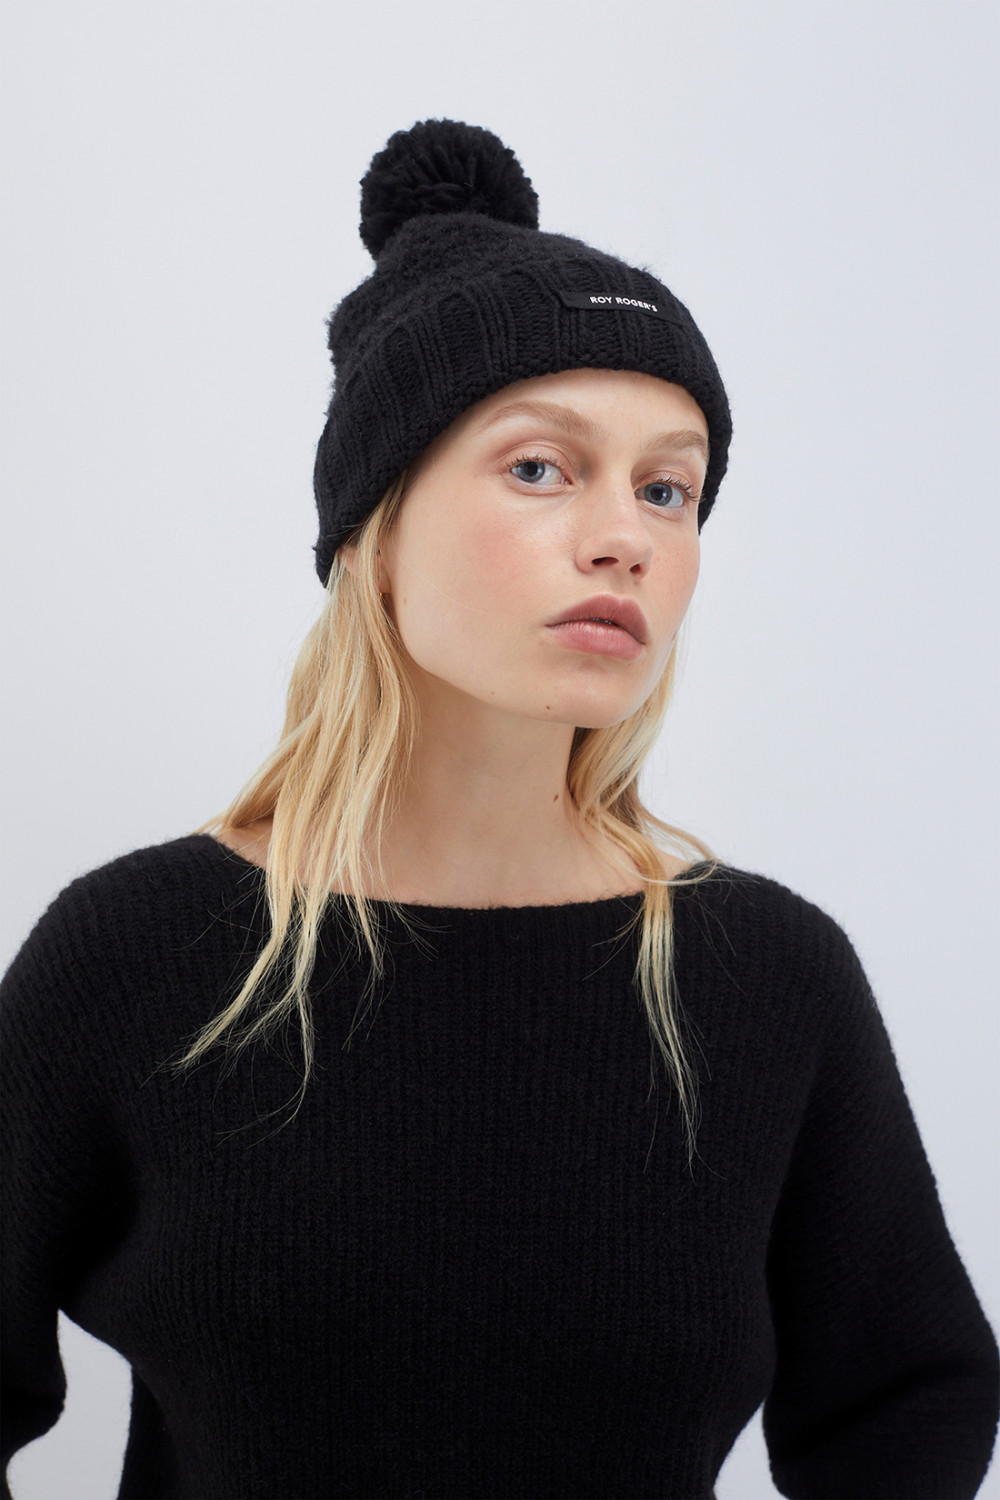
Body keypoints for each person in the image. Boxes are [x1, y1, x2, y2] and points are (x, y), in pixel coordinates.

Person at [1, 118, 997, 1500]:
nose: (626, 536)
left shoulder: (769, 980)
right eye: (541, 467)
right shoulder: (138, 955)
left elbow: (909, 1397)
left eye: (669, 488)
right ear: (376, 530)